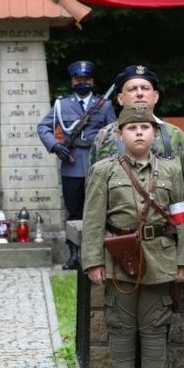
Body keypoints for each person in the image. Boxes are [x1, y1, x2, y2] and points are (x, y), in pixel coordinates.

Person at [89, 64, 184, 368]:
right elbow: (94, 216)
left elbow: (182, 213)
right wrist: (92, 261)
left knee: (155, 323)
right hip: (119, 253)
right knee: (121, 323)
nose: (139, 133)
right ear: (120, 132)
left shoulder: (170, 158)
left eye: (145, 128)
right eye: (132, 128)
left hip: (159, 252)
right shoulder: (103, 164)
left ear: (154, 132)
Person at [37, 60, 116, 270]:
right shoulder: (61, 105)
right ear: (72, 81)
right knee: (74, 212)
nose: (82, 82)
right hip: (71, 166)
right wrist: (55, 146)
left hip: (97, 165)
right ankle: (74, 255)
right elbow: (43, 127)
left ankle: (97, 255)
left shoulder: (104, 105)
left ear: (92, 81)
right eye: (78, 79)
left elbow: (114, 132)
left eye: (86, 79)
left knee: (100, 211)